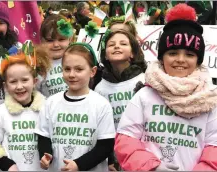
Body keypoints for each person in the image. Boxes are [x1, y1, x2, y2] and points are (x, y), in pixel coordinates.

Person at [115, 4, 217, 171]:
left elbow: (214, 148)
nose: (181, 59)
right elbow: (126, 139)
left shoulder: (210, 99)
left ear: (198, 61)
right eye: (172, 53)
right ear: (162, 57)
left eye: (190, 54)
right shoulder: (145, 95)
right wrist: (151, 167)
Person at [36, 43, 115, 171]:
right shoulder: (51, 102)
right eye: (67, 69)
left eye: (79, 69)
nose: (72, 74)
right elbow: (44, 136)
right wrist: (45, 156)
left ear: (92, 71)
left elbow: (105, 146)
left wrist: (79, 164)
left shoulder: (101, 104)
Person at [0, 44, 50, 171]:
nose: (19, 86)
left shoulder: (47, 108)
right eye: (13, 82)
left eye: (24, 80)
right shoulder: (0, 112)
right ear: (5, 86)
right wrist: (8, 165)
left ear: (34, 81)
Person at [94, 30, 147, 171]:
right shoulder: (99, 88)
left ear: (132, 53)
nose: (117, 46)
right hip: (112, 152)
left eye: (123, 43)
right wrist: (110, 157)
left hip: (140, 150)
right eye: (111, 44)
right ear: (105, 54)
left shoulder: (144, 80)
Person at [37, 15, 74, 97]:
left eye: (61, 39)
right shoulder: (37, 65)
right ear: (42, 40)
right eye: (50, 40)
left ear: (70, 39)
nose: (56, 45)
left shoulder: (77, 60)